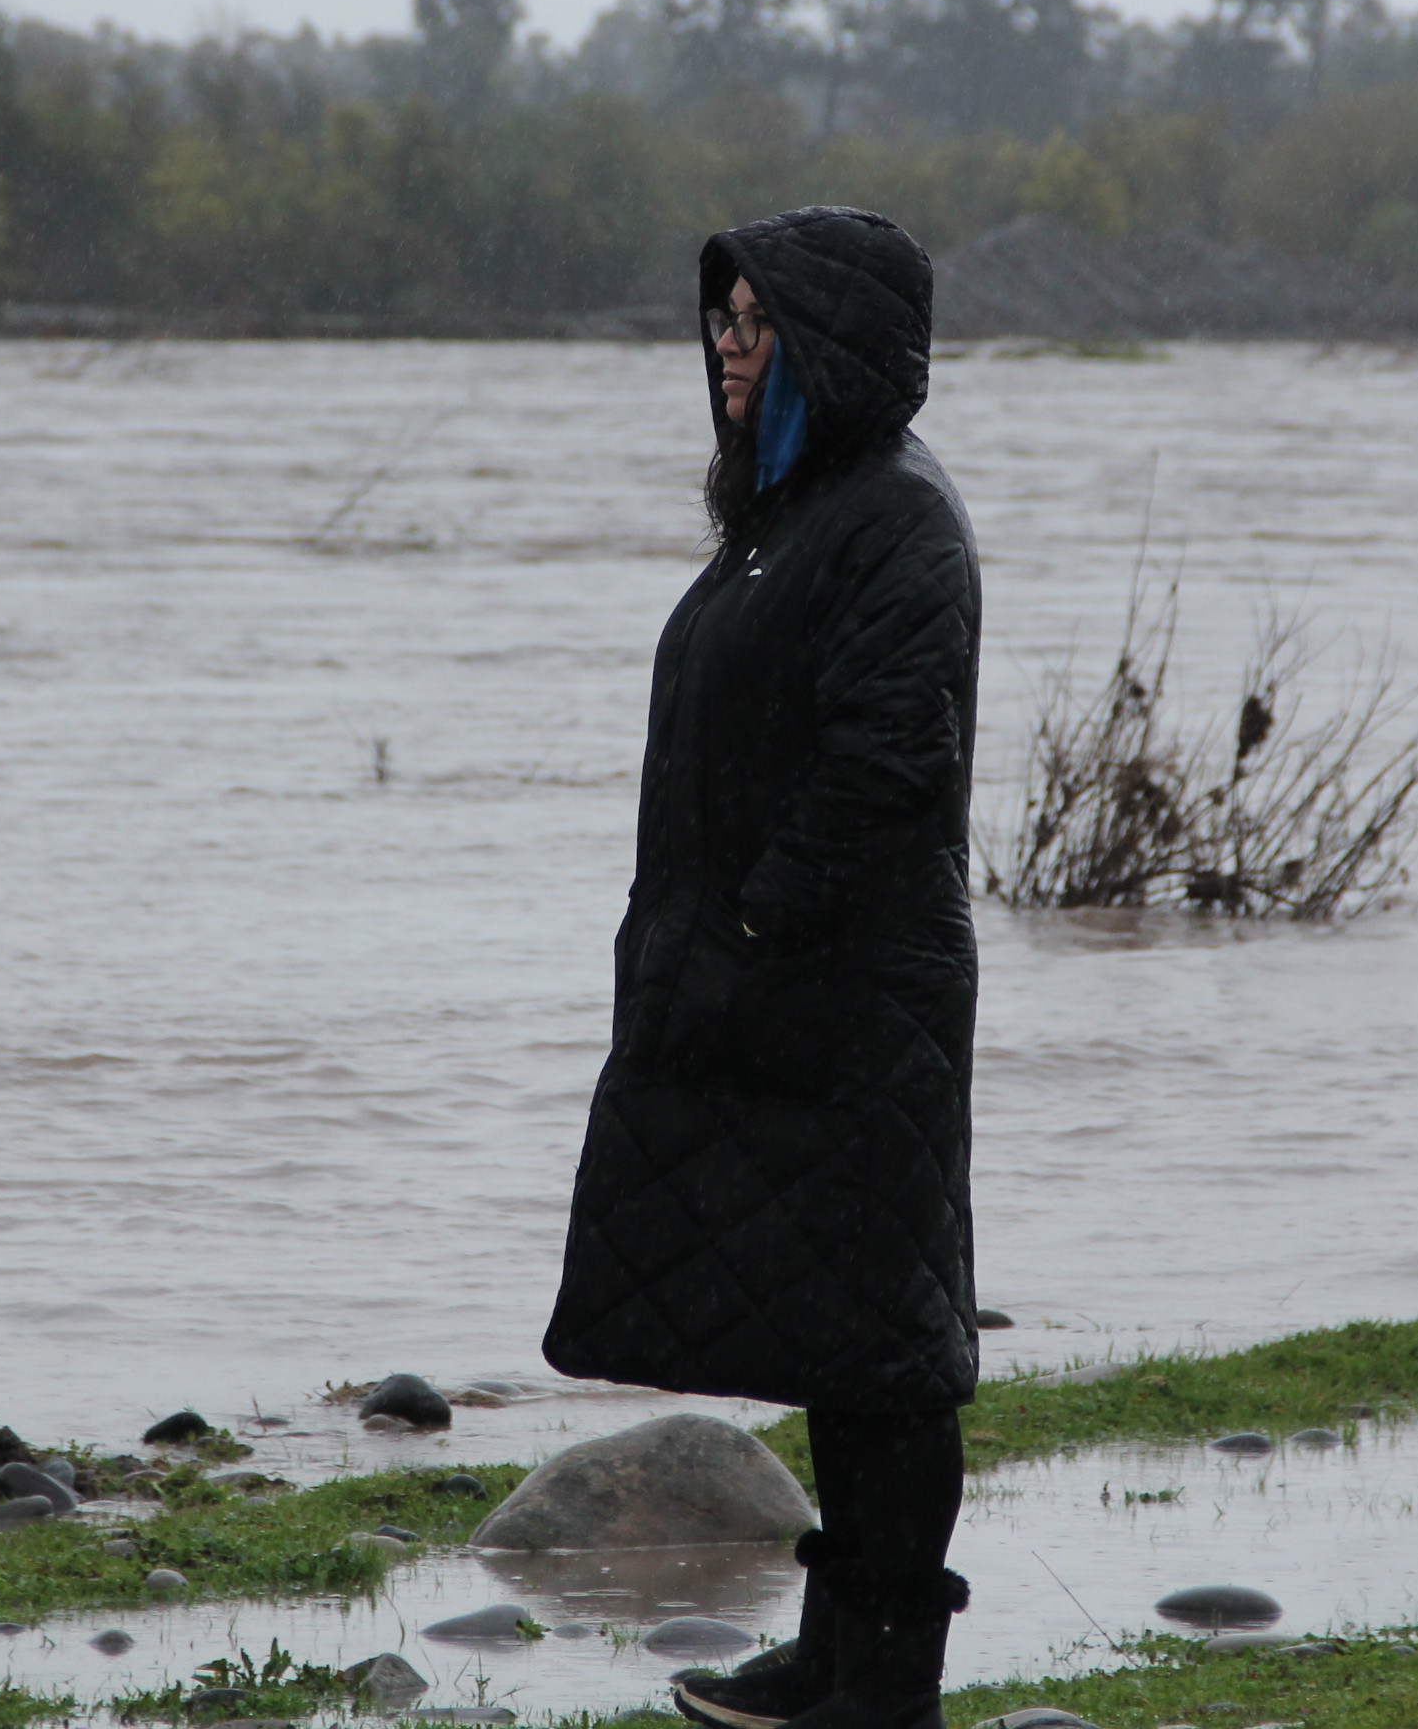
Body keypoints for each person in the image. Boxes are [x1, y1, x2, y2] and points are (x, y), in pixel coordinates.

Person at [543, 206, 986, 1729]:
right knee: (842, 1333)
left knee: (892, 1352)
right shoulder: (795, 512)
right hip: (781, 996)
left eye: (756, 325)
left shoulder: (895, 520)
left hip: (858, 1003)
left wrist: (753, 926)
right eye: (719, 323)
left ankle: (886, 1684)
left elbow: (886, 765)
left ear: (832, 345)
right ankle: (837, 1663)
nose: (727, 350)